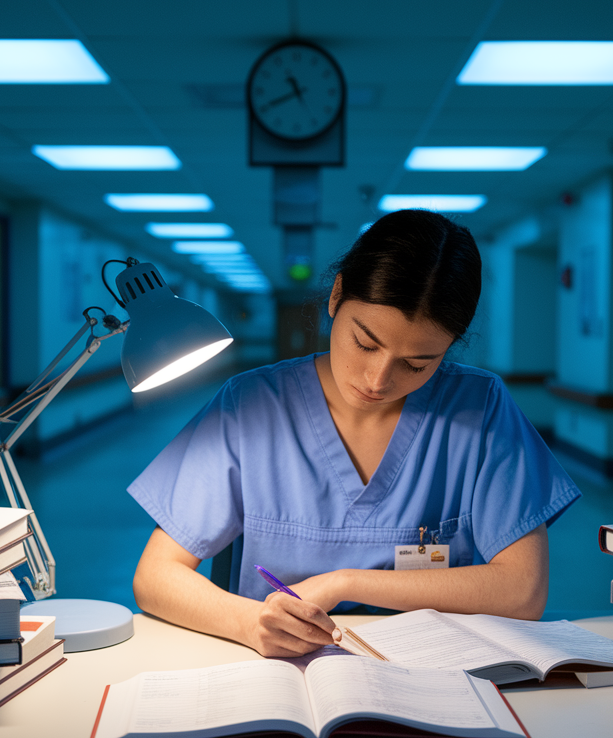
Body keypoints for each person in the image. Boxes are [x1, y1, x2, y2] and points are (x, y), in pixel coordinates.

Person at [130, 209, 579, 657]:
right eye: (365, 342)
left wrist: (345, 582)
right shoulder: (249, 406)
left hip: (430, 675)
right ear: (336, 295)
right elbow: (155, 576)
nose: (378, 379)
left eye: (417, 364)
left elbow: (523, 591)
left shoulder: (480, 409)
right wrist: (247, 622)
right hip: (276, 671)